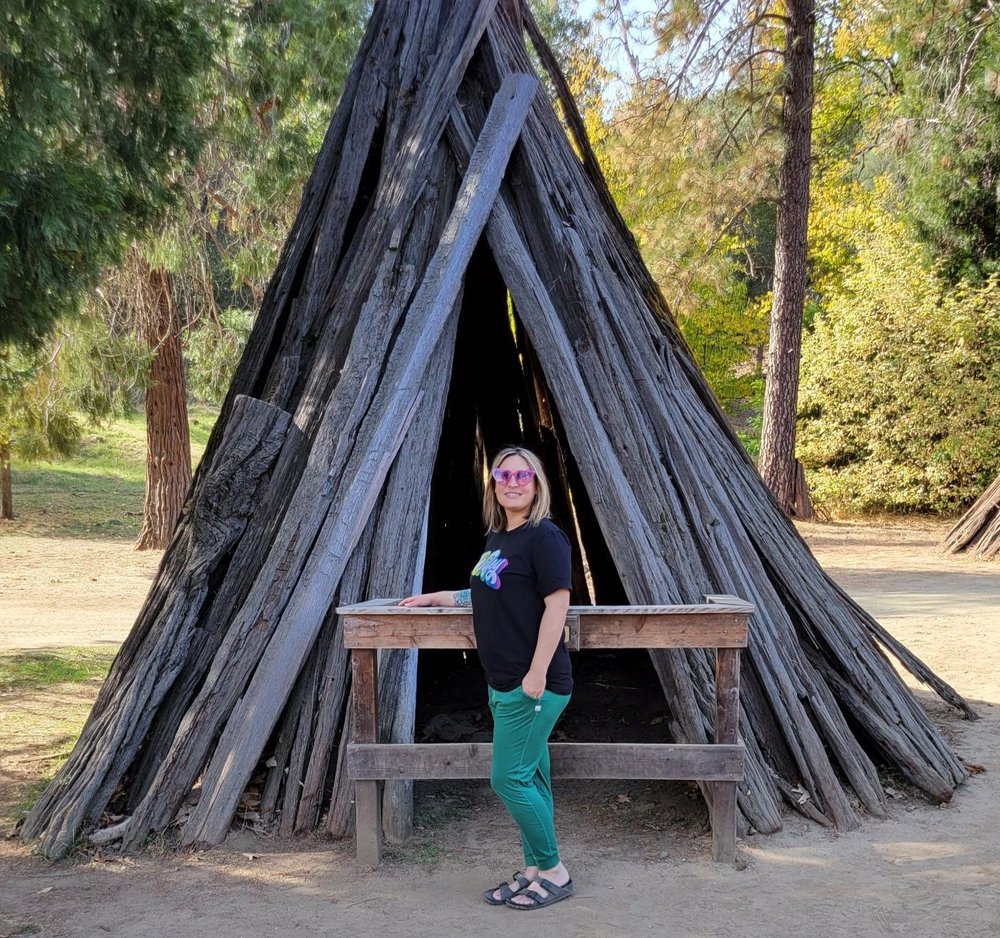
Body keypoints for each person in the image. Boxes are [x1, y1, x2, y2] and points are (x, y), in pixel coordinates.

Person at [400, 446, 575, 910]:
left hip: (534, 684)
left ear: (536, 483)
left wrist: (536, 672)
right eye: (502, 474)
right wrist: (438, 597)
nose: (512, 482)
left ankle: (555, 870)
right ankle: (536, 869)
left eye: (522, 475)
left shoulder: (545, 538)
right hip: (503, 683)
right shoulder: (500, 538)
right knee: (532, 778)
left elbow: (557, 606)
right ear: (493, 483)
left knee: (509, 779)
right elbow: (487, 591)